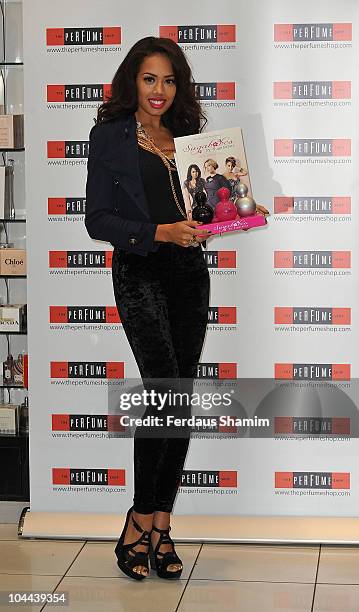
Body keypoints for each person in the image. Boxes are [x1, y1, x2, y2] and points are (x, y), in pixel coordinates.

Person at [85, 36, 211, 581]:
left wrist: (222, 216)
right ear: (132, 81)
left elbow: (201, 205)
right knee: (162, 389)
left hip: (188, 277)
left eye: (169, 81)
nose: (159, 91)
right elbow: (97, 220)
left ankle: (162, 523)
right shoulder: (109, 137)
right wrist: (158, 231)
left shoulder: (189, 137)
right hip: (139, 273)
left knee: (178, 399)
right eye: (149, 79)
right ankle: (137, 521)